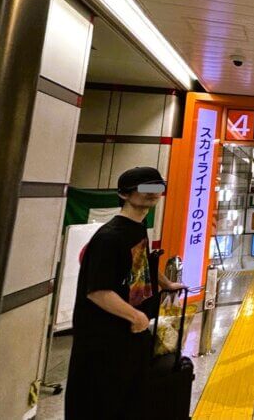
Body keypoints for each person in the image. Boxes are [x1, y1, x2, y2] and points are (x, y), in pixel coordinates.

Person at [65, 167, 184, 419]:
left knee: (129, 400)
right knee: (103, 402)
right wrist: (136, 317)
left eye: (158, 188)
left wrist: (165, 284)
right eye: (145, 188)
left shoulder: (138, 228)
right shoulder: (110, 237)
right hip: (105, 339)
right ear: (124, 194)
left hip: (129, 335)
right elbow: (98, 291)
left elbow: (141, 263)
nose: (153, 194)